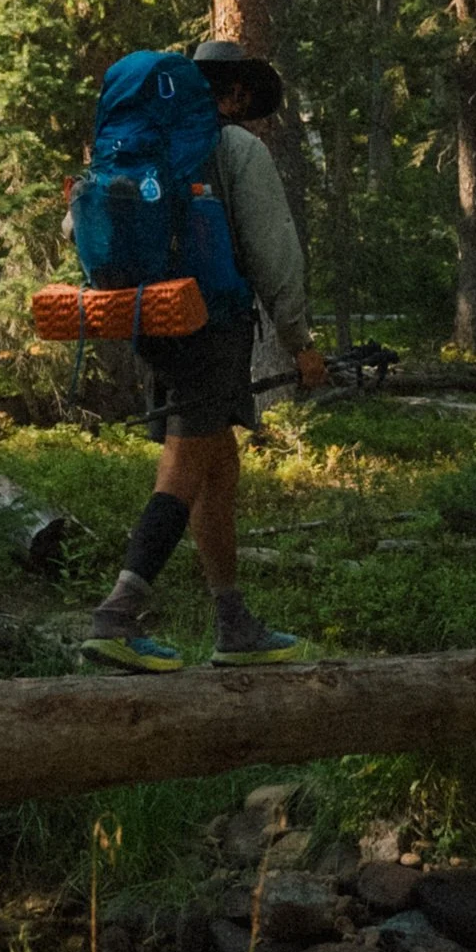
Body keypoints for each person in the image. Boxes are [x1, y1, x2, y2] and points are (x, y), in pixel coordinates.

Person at [82, 37, 324, 671]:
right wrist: (300, 341)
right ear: (236, 90)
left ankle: (232, 620)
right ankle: (118, 613)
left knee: (218, 464)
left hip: (157, 316)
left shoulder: (145, 142)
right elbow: (275, 251)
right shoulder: (235, 148)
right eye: (249, 98)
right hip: (212, 327)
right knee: (186, 466)